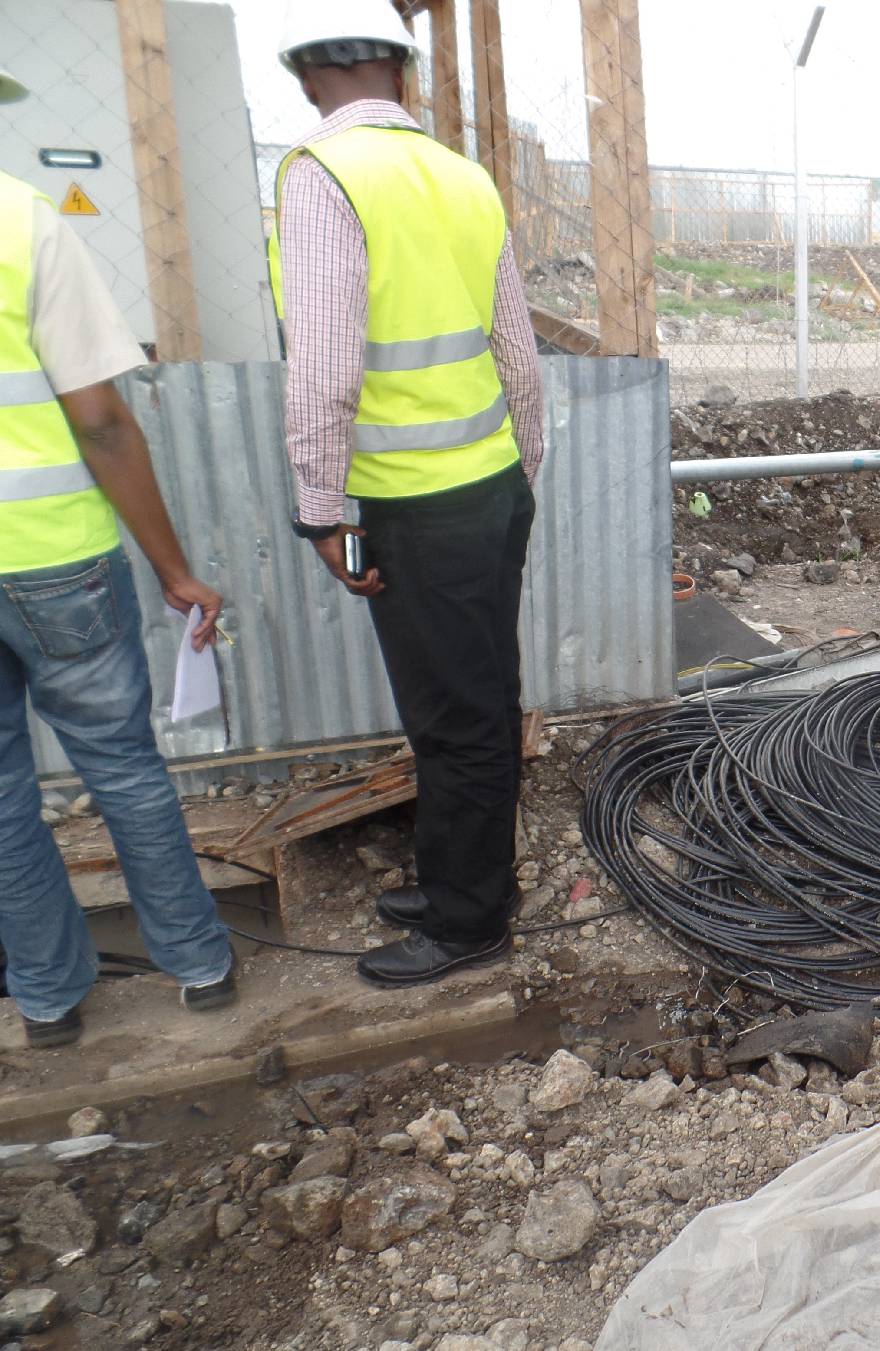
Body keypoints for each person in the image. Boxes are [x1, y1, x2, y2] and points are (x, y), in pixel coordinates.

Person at [271, 2, 547, 988]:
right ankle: (465, 885)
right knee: (479, 700)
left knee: (452, 716)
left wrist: (320, 509)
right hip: (487, 490)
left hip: (413, 507)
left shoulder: (322, 176)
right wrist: (527, 470)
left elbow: (325, 370)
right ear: (403, 73)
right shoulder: (461, 176)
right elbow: (516, 347)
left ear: (308, 76)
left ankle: (469, 922)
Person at [0, 68, 238, 1047]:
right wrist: (174, 566)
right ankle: (198, 964)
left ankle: (48, 997)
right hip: (58, 560)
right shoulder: (23, 223)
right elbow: (97, 418)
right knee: (125, 769)